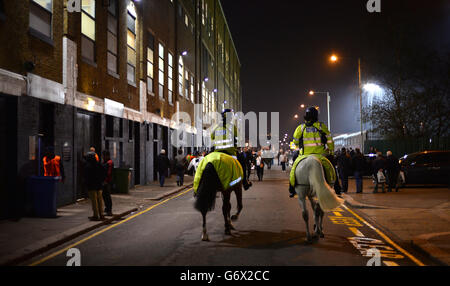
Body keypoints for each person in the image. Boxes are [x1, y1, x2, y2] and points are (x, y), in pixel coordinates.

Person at [288, 106, 335, 197]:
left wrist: (299, 145)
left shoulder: (300, 128)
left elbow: (295, 141)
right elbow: (329, 140)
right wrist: (331, 151)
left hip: (304, 155)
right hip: (321, 155)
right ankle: (337, 188)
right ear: (316, 116)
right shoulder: (321, 126)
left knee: (294, 168)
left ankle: (291, 188)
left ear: (306, 116)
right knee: (332, 167)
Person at [211, 109, 252, 190]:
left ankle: (199, 187)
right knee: (243, 162)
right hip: (231, 153)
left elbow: (212, 137)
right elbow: (238, 139)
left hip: (217, 153)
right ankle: (245, 183)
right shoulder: (232, 127)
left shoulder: (216, 127)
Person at [84, 151, 106, 221]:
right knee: (100, 200)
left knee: (94, 201)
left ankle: (96, 215)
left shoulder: (88, 166)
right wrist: (102, 180)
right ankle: (101, 214)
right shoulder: (99, 164)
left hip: (92, 186)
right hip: (99, 185)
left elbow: (86, 177)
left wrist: (86, 184)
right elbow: (104, 173)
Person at [102, 150, 114, 216]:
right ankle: (107, 209)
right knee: (105, 196)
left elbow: (108, 173)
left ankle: (109, 210)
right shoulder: (106, 162)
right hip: (106, 182)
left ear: (107, 156)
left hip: (107, 182)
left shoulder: (109, 163)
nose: (103, 157)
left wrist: (105, 181)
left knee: (107, 196)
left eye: (104, 155)